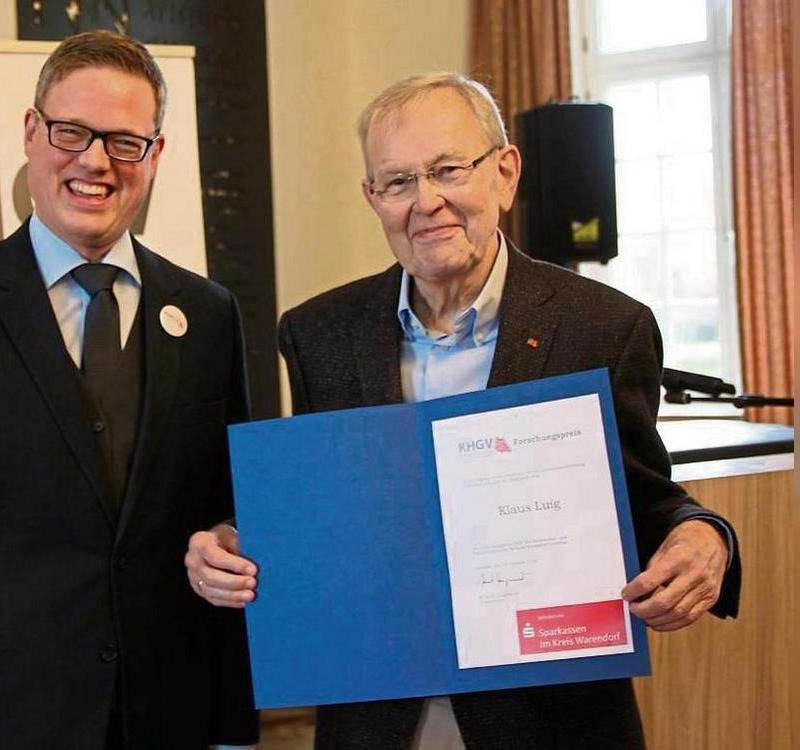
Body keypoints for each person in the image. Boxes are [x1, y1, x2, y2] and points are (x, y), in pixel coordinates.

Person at [184, 73, 740, 749]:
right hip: (380, 716)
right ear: (372, 198)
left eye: (448, 169)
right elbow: (326, 509)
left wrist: (707, 536)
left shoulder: (602, 328)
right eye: (397, 181)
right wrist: (235, 541)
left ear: (504, 174)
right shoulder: (319, 334)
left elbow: (647, 500)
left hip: (550, 719)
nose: (427, 201)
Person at [0, 31, 257, 750]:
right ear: (33, 133)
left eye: (125, 141)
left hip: (164, 715)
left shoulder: (207, 315)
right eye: (72, 132)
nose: (95, 161)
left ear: (155, 155)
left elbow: (230, 509)